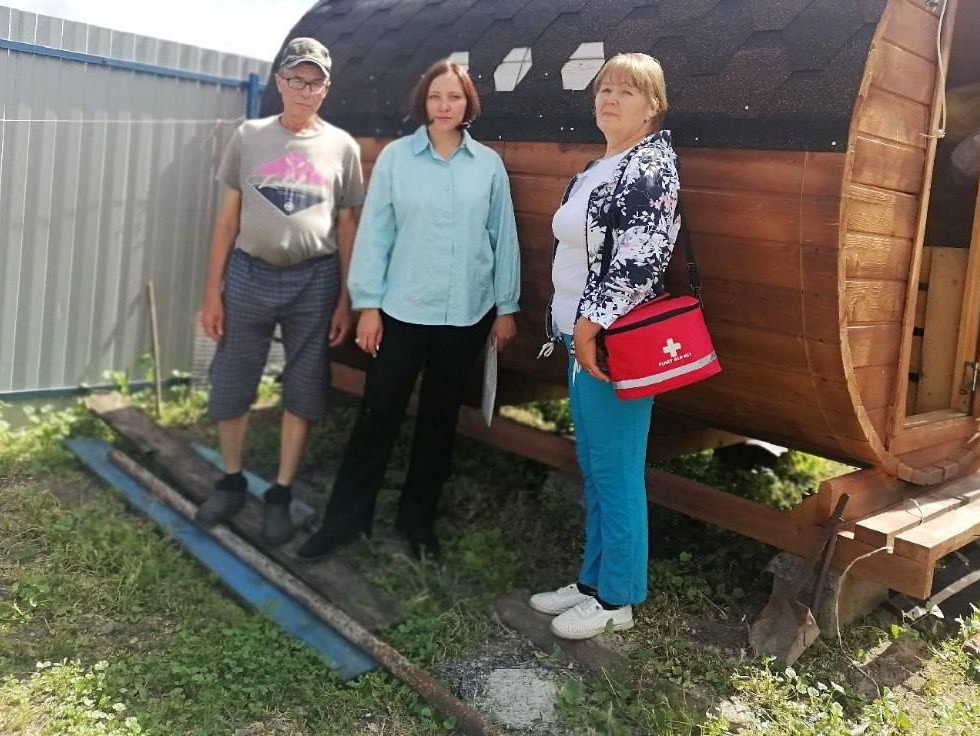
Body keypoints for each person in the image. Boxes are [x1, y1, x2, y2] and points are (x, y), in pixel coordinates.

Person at [298, 59, 521, 562]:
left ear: (469, 105)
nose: (445, 106)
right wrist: (369, 306)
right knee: (378, 417)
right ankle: (344, 523)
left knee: (439, 425)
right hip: (401, 311)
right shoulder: (398, 159)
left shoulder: (487, 165)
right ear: (423, 100)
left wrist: (506, 307)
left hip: (466, 315)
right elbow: (376, 234)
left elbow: (502, 237)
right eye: (436, 96)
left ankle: (417, 526)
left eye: (455, 97)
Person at [528, 52, 680, 640]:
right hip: (578, 336)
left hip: (612, 341)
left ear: (653, 106)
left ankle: (618, 598)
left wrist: (591, 325)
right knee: (593, 463)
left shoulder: (651, 166)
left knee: (616, 469)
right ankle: (592, 581)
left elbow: (641, 261)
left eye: (627, 91)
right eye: (604, 89)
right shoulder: (601, 165)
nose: (610, 99)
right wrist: (572, 327)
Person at [196, 37, 364, 546]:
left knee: (304, 386)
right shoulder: (248, 137)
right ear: (280, 82)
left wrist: (345, 299)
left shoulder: (343, 147)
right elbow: (226, 221)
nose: (304, 89)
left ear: (326, 88)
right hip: (248, 273)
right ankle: (230, 479)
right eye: (295, 79)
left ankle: (281, 492)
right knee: (232, 381)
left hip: (314, 281)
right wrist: (212, 293)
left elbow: (348, 225)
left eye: (314, 82)